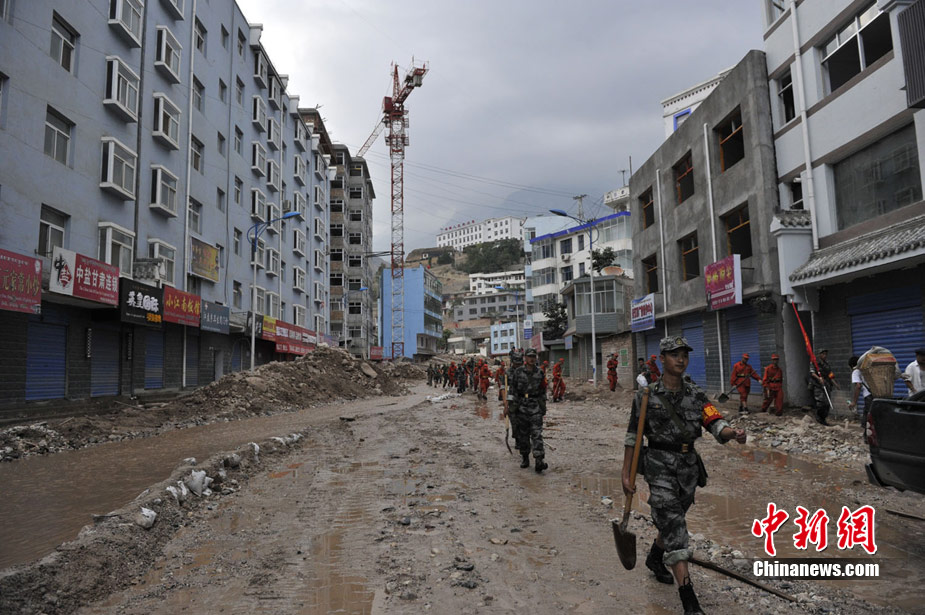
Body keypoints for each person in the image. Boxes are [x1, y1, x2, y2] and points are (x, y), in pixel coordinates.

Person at [622, 336, 747, 615]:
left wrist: (733, 433)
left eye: (684, 355)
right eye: (674, 354)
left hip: (688, 470)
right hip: (658, 468)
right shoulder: (645, 396)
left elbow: (715, 423)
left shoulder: (696, 394)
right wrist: (626, 473)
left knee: (673, 521)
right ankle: (689, 600)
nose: (681, 359)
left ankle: (655, 558)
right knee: (676, 530)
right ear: (662, 358)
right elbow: (634, 436)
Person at [509, 348, 549, 473]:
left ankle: (539, 459)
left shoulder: (540, 372)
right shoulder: (518, 372)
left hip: (535, 406)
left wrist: (543, 406)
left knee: (537, 434)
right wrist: (511, 406)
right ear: (525, 358)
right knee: (523, 435)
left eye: (534, 356)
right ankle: (525, 457)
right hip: (522, 407)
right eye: (529, 356)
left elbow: (543, 390)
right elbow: (512, 390)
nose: (532, 359)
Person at [809, 349, 837, 426]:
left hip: (826, 385)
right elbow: (812, 373)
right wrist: (819, 378)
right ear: (819, 355)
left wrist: (834, 383)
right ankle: (818, 418)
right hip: (818, 386)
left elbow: (830, 374)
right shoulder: (815, 363)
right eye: (823, 354)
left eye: (826, 354)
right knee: (820, 403)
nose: (825, 356)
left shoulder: (826, 364)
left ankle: (823, 418)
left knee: (827, 404)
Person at [848, 355, 871, 427]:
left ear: (851, 365)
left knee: (866, 418)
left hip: (868, 396)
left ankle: (866, 436)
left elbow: (858, 386)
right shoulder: (867, 368)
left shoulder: (856, 371)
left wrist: (854, 402)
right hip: (877, 394)